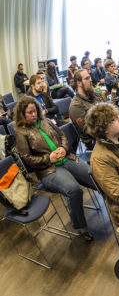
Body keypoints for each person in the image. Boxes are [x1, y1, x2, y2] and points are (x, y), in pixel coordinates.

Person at [14, 96, 95, 241]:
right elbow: (27, 158)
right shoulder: (21, 132)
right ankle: (81, 227)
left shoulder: (45, 121)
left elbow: (62, 135)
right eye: (30, 112)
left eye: (35, 111)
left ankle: (118, 207)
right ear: (22, 114)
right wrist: (48, 158)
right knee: (74, 190)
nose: (34, 114)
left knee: (94, 176)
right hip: (48, 170)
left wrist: (63, 148)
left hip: (66, 159)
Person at [69, 70, 104, 149]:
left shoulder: (96, 95)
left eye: (90, 77)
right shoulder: (76, 106)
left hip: (108, 130)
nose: (90, 80)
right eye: (87, 78)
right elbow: (90, 130)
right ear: (79, 83)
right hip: (96, 142)